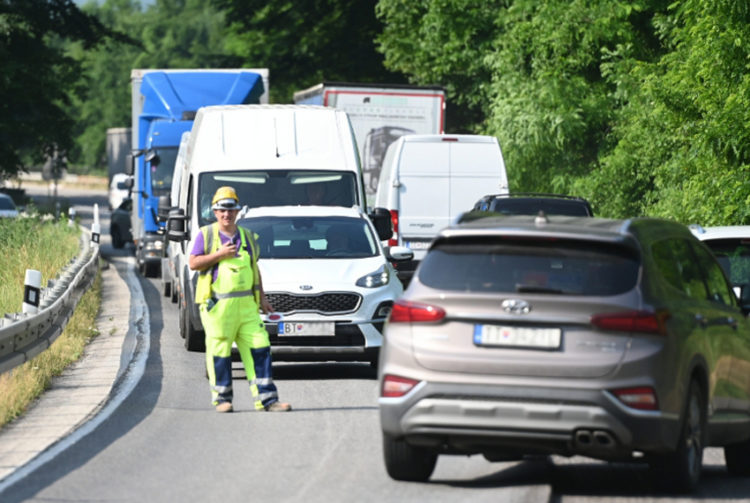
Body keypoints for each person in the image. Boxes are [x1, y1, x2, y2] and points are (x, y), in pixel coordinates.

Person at [188, 186, 291, 413]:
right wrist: (219, 255)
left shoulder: (247, 238)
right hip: (218, 308)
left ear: (237, 211)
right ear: (215, 212)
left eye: (231, 210)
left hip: (247, 307)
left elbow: (255, 270)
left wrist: (262, 299)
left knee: (260, 348)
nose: (227, 215)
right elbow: (193, 263)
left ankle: (267, 400)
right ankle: (222, 399)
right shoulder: (206, 235)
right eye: (222, 210)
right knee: (220, 353)